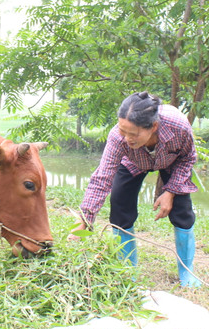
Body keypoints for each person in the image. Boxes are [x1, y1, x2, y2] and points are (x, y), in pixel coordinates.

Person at [69, 91, 201, 287]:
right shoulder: (118, 137)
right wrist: (85, 219)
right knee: (120, 206)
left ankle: (186, 272)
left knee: (182, 211)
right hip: (133, 162)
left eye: (133, 133)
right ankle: (127, 271)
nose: (127, 138)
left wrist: (171, 191)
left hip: (171, 161)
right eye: (123, 131)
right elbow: (102, 177)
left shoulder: (178, 126)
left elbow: (188, 158)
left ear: (153, 127)